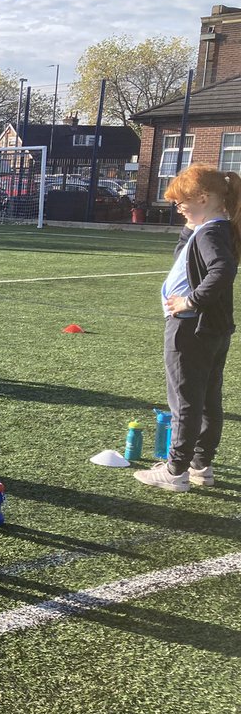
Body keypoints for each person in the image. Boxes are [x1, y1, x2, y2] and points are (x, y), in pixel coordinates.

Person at [135, 164, 238, 492]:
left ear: (204, 198)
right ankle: (200, 465)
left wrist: (190, 301)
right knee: (207, 399)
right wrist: (189, 226)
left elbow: (221, 271)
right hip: (212, 330)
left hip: (190, 327)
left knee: (185, 401)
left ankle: (175, 471)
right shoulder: (215, 228)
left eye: (182, 202)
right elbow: (186, 256)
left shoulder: (209, 233)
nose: (178, 209)